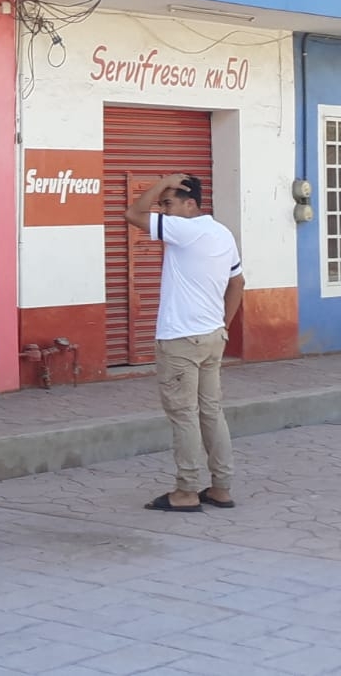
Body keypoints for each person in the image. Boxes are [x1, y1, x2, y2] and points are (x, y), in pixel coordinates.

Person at [125, 173, 243, 513]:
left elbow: (133, 215)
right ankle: (221, 487)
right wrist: (224, 326)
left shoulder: (186, 228)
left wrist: (161, 182)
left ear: (190, 204)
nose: (164, 209)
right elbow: (239, 282)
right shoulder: (222, 233)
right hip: (210, 338)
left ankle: (186, 491)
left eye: (169, 203)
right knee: (211, 412)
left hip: (180, 339)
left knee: (183, 415)